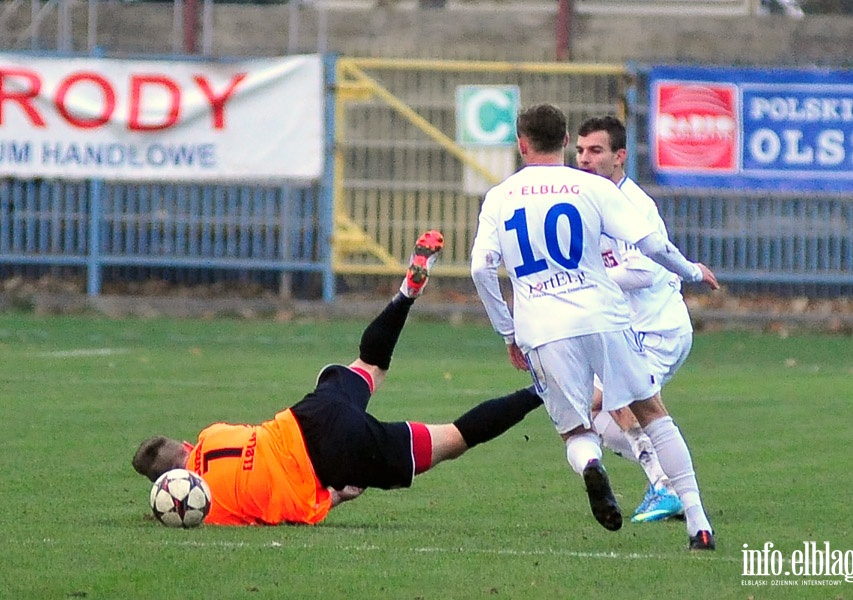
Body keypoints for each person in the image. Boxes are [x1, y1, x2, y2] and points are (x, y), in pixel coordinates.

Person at [133, 230, 544, 526]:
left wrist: (337, 495)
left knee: (453, 439)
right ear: (186, 445)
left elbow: (302, 508)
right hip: (309, 415)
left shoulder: (212, 510)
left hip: (335, 456)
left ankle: (540, 388)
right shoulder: (213, 434)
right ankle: (406, 294)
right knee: (368, 365)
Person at [470, 103, 718, 550]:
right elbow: (650, 244)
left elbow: (480, 269)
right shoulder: (590, 187)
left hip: (542, 329)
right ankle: (698, 522)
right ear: (566, 141)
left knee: (577, 431)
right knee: (651, 411)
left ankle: (590, 466)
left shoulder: (500, 197)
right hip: (603, 316)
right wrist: (691, 272)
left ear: (521, 145)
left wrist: (507, 332)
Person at [575, 115, 692, 524]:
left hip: (656, 330)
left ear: (619, 156)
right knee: (590, 409)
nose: (585, 159)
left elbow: (642, 271)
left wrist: (590, 280)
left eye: (596, 151)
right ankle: (668, 484)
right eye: (580, 150)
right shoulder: (593, 200)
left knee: (614, 405)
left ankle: (667, 485)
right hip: (631, 330)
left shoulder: (633, 205)